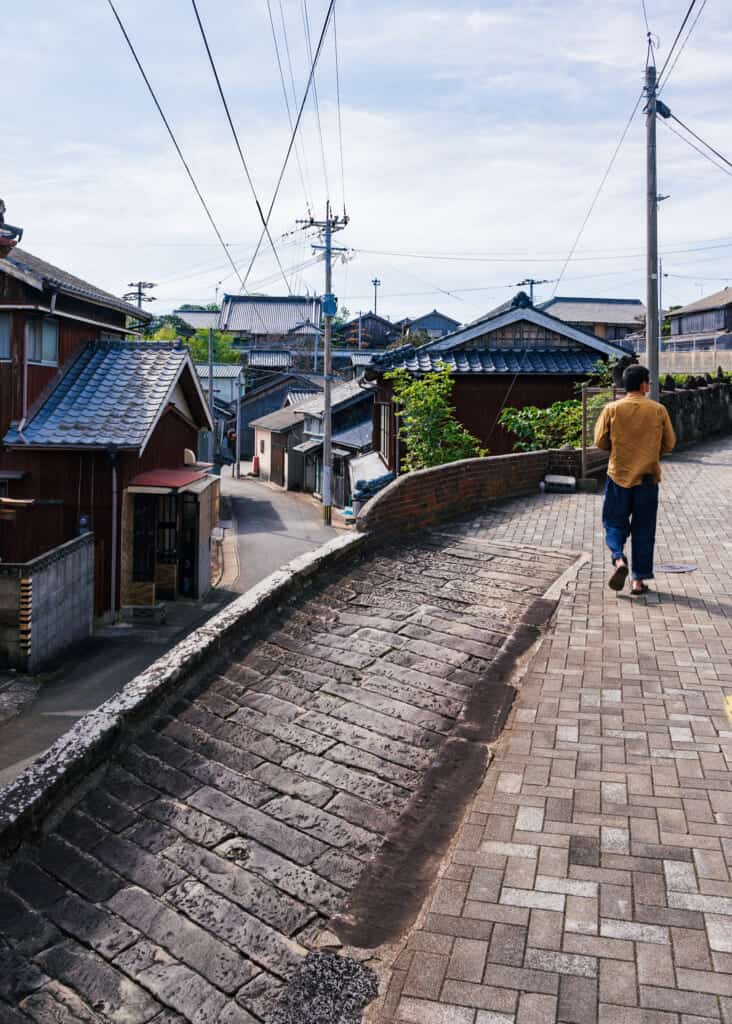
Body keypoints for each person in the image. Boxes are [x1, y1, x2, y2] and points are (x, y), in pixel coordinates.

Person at [593, 364, 676, 596]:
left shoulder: (612, 409)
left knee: (613, 523)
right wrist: (650, 453)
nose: (649, 386)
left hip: (618, 476)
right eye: (648, 382)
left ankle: (619, 560)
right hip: (647, 480)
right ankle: (638, 581)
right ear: (642, 385)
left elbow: (600, 441)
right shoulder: (658, 410)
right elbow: (670, 443)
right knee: (644, 530)